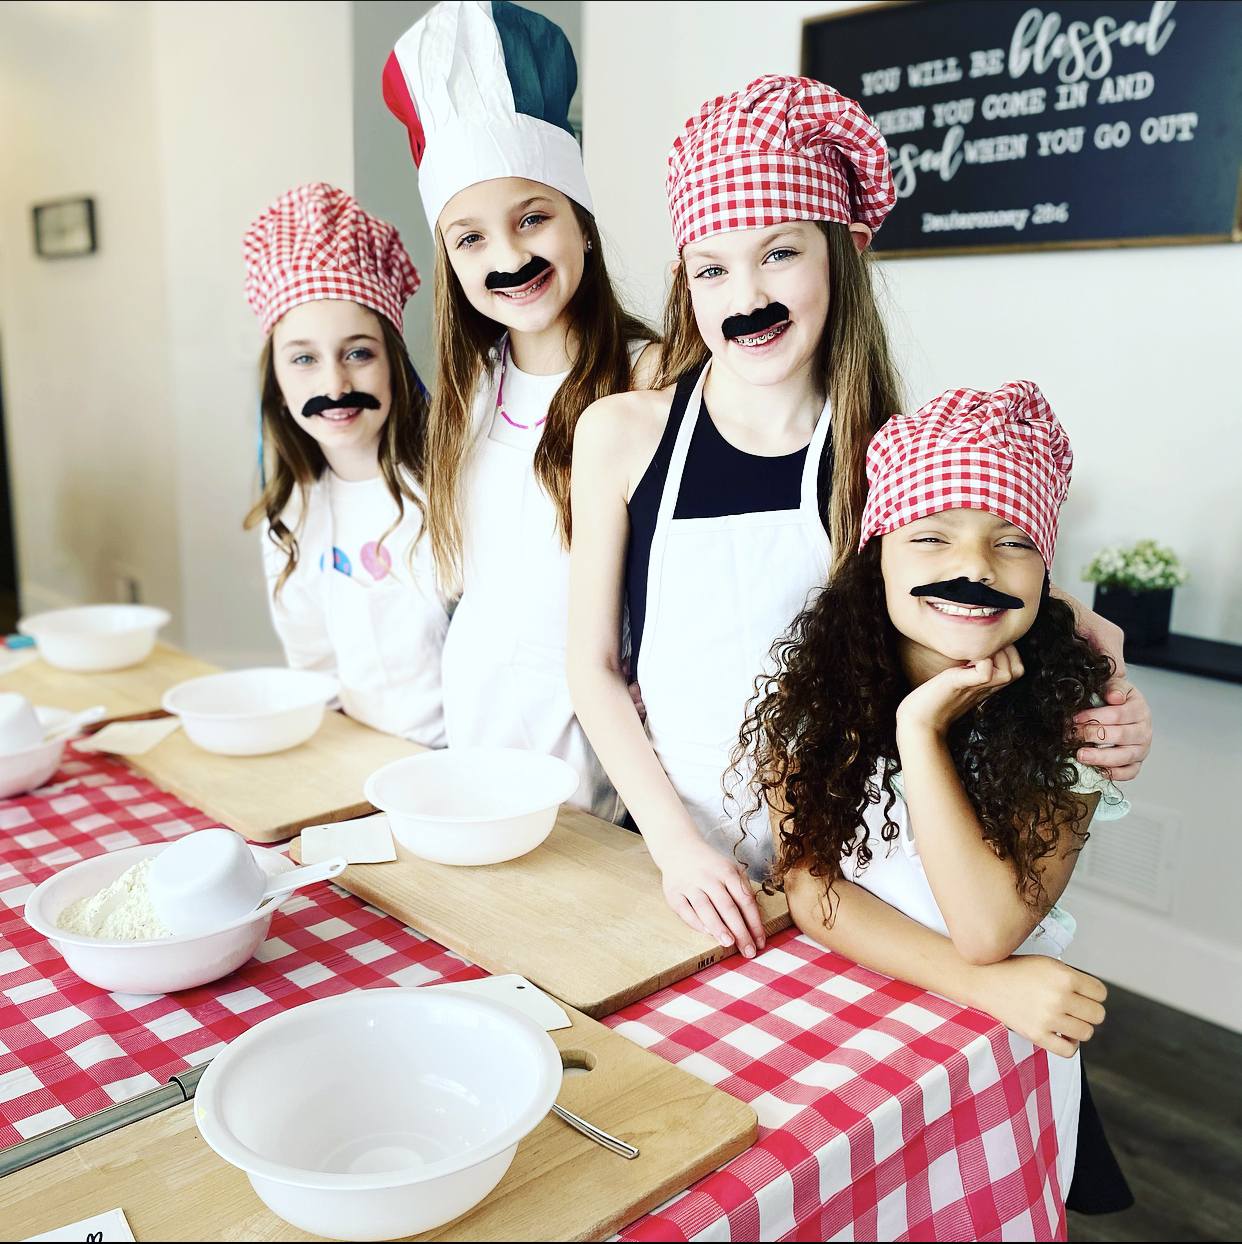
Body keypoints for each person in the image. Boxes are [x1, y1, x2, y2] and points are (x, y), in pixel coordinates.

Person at [567, 76, 1152, 959]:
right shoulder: (620, 435)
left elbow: (974, 574)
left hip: (844, 873)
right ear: (686, 283)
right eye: (713, 268)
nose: (745, 294)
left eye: (780, 253)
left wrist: (1088, 643)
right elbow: (592, 669)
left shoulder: (884, 449)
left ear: (841, 256)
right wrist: (678, 851)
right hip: (673, 855)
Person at [740, 381, 1128, 1200]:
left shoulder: (1074, 724)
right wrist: (983, 983)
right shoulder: (816, 703)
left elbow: (986, 927)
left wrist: (920, 735)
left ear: (1045, 573)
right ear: (876, 553)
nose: (974, 567)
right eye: (931, 535)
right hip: (850, 1024)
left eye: (1012, 540)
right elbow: (812, 890)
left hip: (993, 1052)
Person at [384, 0, 657, 821]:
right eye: (470, 238)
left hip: (599, 725)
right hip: (477, 712)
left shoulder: (650, 375)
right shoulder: (471, 388)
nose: (507, 256)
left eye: (532, 217)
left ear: (582, 223)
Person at [243, 183, 446, 745]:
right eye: (304, 359)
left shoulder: (450, 487)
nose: (334, 384)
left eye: (358, 353)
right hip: (360, 762)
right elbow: (316, 674)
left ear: (393, 364)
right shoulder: (288, 518)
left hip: (469, 761)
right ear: (277, 383)